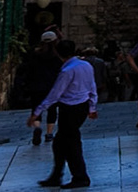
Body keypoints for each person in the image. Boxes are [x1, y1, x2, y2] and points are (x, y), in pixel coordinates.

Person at [30, 38, 96, 189]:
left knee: (70, 143)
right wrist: (92, 107)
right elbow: (92, 87)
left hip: (70, 109)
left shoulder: (67, 71)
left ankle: (80, 177)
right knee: (61, 143)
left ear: (58, 53)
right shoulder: (86, 65)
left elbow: (55, 94)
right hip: (82, 106)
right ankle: (57, 176)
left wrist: (37, 112)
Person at [20, 32, 63, 147]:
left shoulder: (35, 55)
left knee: (36, 108)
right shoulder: (57, 57)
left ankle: (37, 127)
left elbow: (28, 69)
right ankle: (49, 133)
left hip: (36, 86)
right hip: (51, 87)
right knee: (52, 110)